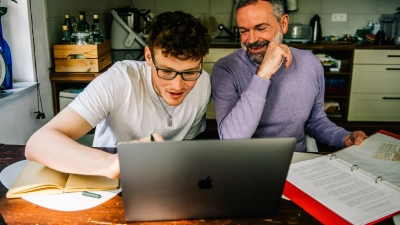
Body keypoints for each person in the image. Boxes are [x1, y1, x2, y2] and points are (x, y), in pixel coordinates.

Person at [25, 11, 212, 178]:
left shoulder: (203, 84)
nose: (178, 85)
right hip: (108, 180)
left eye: (189, 72)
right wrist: (111, 164)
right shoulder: (119, 80)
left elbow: (187, 142)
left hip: (166, 178)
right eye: (166, 71)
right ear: (148, 57)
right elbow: (38, 143)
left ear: (201, 61)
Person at [211, 0, 367, 152]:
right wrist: (263, 74)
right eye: (244, 31)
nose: (251, 40)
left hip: (296, 162)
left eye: (261, 28)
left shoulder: (310, 63)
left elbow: (315, 122)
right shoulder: (225, 69)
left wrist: (343, 137)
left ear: (283, 24)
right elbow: (231, 139)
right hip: (248, 165)